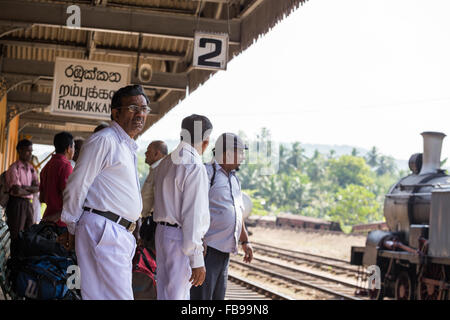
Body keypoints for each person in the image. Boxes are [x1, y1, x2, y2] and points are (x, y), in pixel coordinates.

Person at [61, 84, 150, 300]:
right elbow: (77, 184)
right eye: (132, 107)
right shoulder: (105, 140)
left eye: (144, 108)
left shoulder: (125, 145)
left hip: (113, 231)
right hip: (105, 229)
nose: (140, 113)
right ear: (115, 112)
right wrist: (71, 227)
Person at [153, 114, 212, 300]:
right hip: (180, 239)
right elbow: (192, 215)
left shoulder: (166, 161)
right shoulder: (194, 165)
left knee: (164, 293)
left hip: (162, 234)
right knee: (178, 295)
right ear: (206, 140)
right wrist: (197, 259)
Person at [190, 133, 253, 300]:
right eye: (240, 152)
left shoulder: (235, 180)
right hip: (208, 251)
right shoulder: (206, 174)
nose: (243, 157)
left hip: (225, 254)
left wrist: (245, 241)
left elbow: (237, 214)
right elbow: (193, 209)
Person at [4, 139, 39, 255]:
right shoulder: (14, 168)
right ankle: (14, 262)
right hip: (17, 203)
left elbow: (38, 187)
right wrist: (29, 188)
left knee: (29, 232)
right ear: (20, 151)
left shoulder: (31, 168)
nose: (30, 154)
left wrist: (24, 187)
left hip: (28, 203)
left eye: (31, 151)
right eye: (27, 151)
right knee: (16, 234)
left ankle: (24, 262)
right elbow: (16, 190)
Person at [136, 140, 168, 246]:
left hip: (154, 225)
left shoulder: (162, 171)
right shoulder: (156, 169)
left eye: (148, 151)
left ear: (157, 154)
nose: (145, 154)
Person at [39, 131, 74, 227]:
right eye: (73, 147)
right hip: (61, 222)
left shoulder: (46, 166)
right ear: (68, 148)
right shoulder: (66, 166)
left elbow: (41, 198)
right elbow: (68, 198)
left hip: (47, 218)